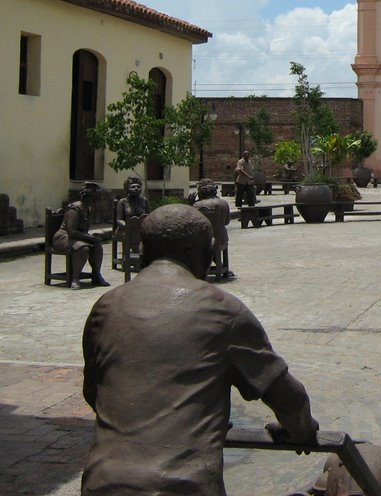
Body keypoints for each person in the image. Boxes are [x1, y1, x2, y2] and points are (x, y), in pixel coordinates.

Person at [81, 204, 318, 496]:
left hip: (103, 483)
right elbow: (289, 399)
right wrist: (302, 431)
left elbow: (95, 392)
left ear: (143, 252)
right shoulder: (223, 311)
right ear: (207, 256)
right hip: (184, 487)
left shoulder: (106, 307)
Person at [52, 181, 110, 290]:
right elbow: (71, 231)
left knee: (97, 246)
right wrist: (90, 238)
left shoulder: (88, 208)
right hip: (63, 238)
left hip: (77, 237)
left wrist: (94, 237)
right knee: (83, 248)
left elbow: (84, 230)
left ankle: (96, 275)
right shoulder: (75, 209)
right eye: (95, 197)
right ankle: (75, 278)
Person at [193, 178, 234, 281]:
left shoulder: (196, 205)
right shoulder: (223, 203)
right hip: (221, 240)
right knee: (215, 240)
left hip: (201, 242)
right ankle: (221, 267)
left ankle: (201, 269)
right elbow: (227, 222)